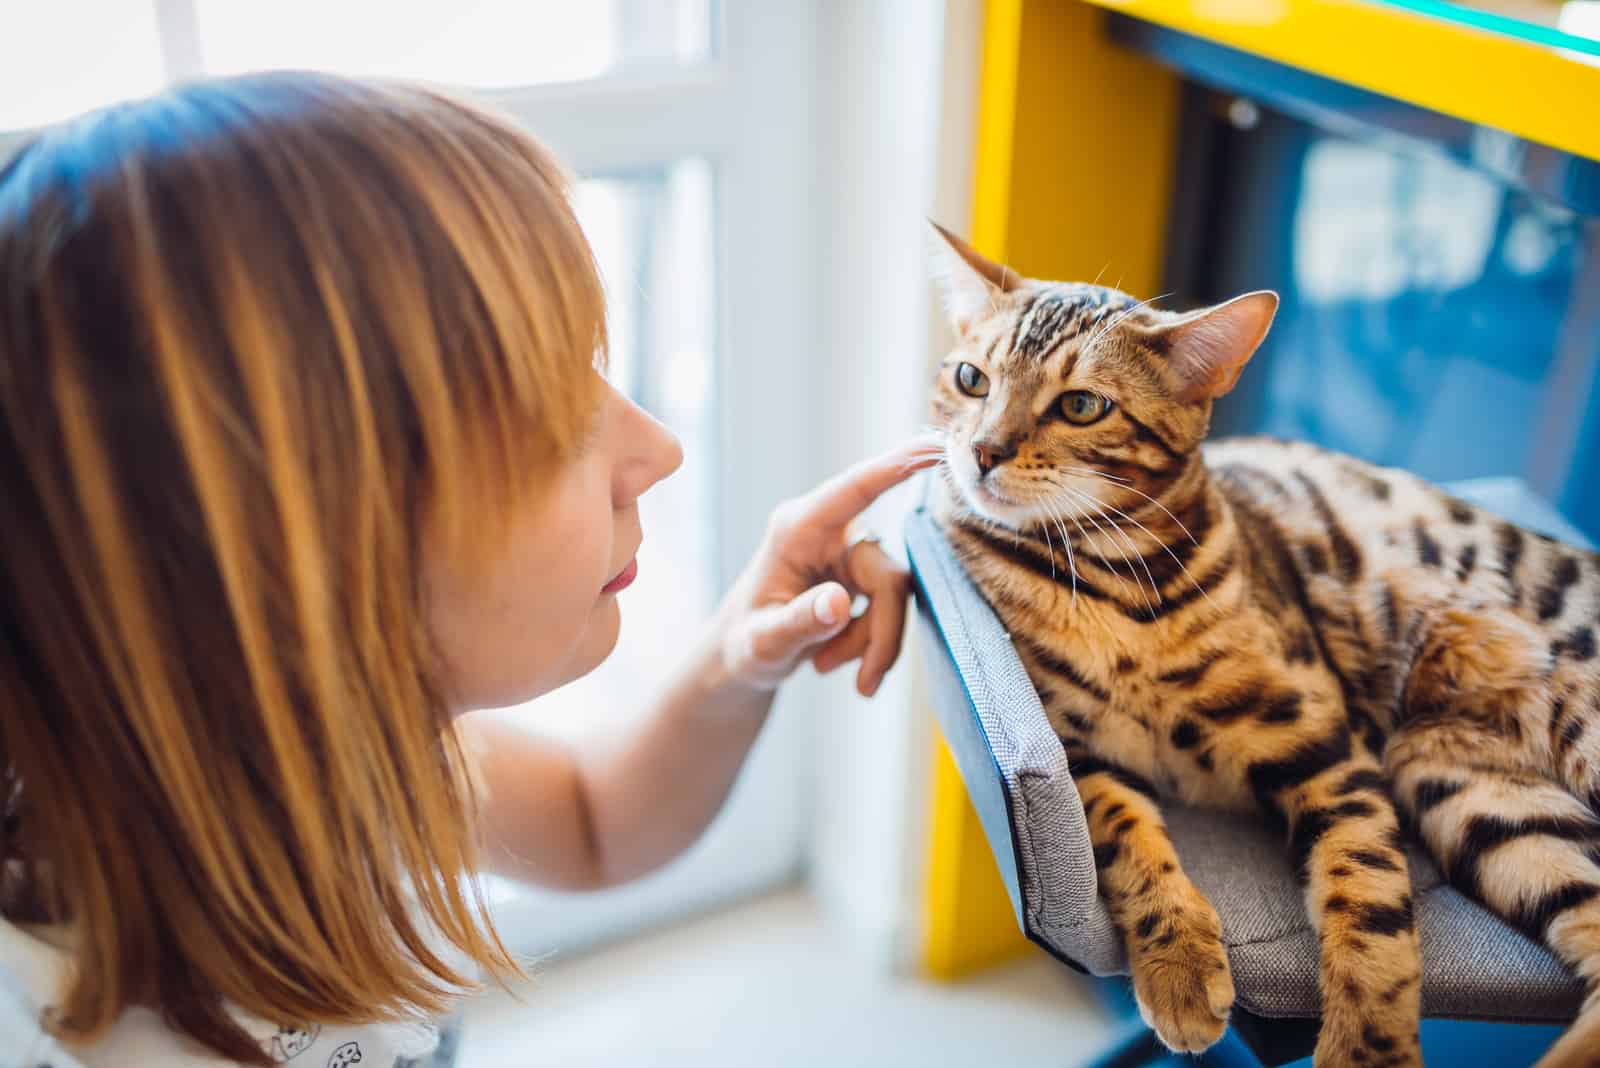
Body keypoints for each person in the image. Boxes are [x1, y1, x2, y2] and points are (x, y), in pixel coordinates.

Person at [0, 71, 935, 1067]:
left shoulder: (334, 745)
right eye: (552, 425)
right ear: (294, 566)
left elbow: (592, 821)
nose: (657, 450)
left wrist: (736, 659)